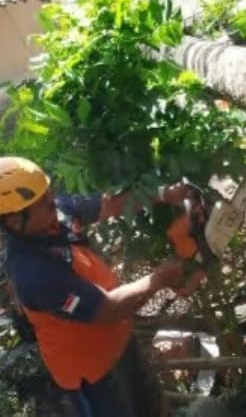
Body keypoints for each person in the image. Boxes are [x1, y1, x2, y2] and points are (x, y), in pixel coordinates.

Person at [0, 156, 203, 417]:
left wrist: (165, 193)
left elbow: (109, 204)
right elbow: (107, 309)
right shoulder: (32, 273)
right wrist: (159, 279)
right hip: (92, 376)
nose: (51, 199)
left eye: (47, 191)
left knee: (153, 409)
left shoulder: (54, 213)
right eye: (41, 201)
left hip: (120, 345)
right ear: (16, 221)